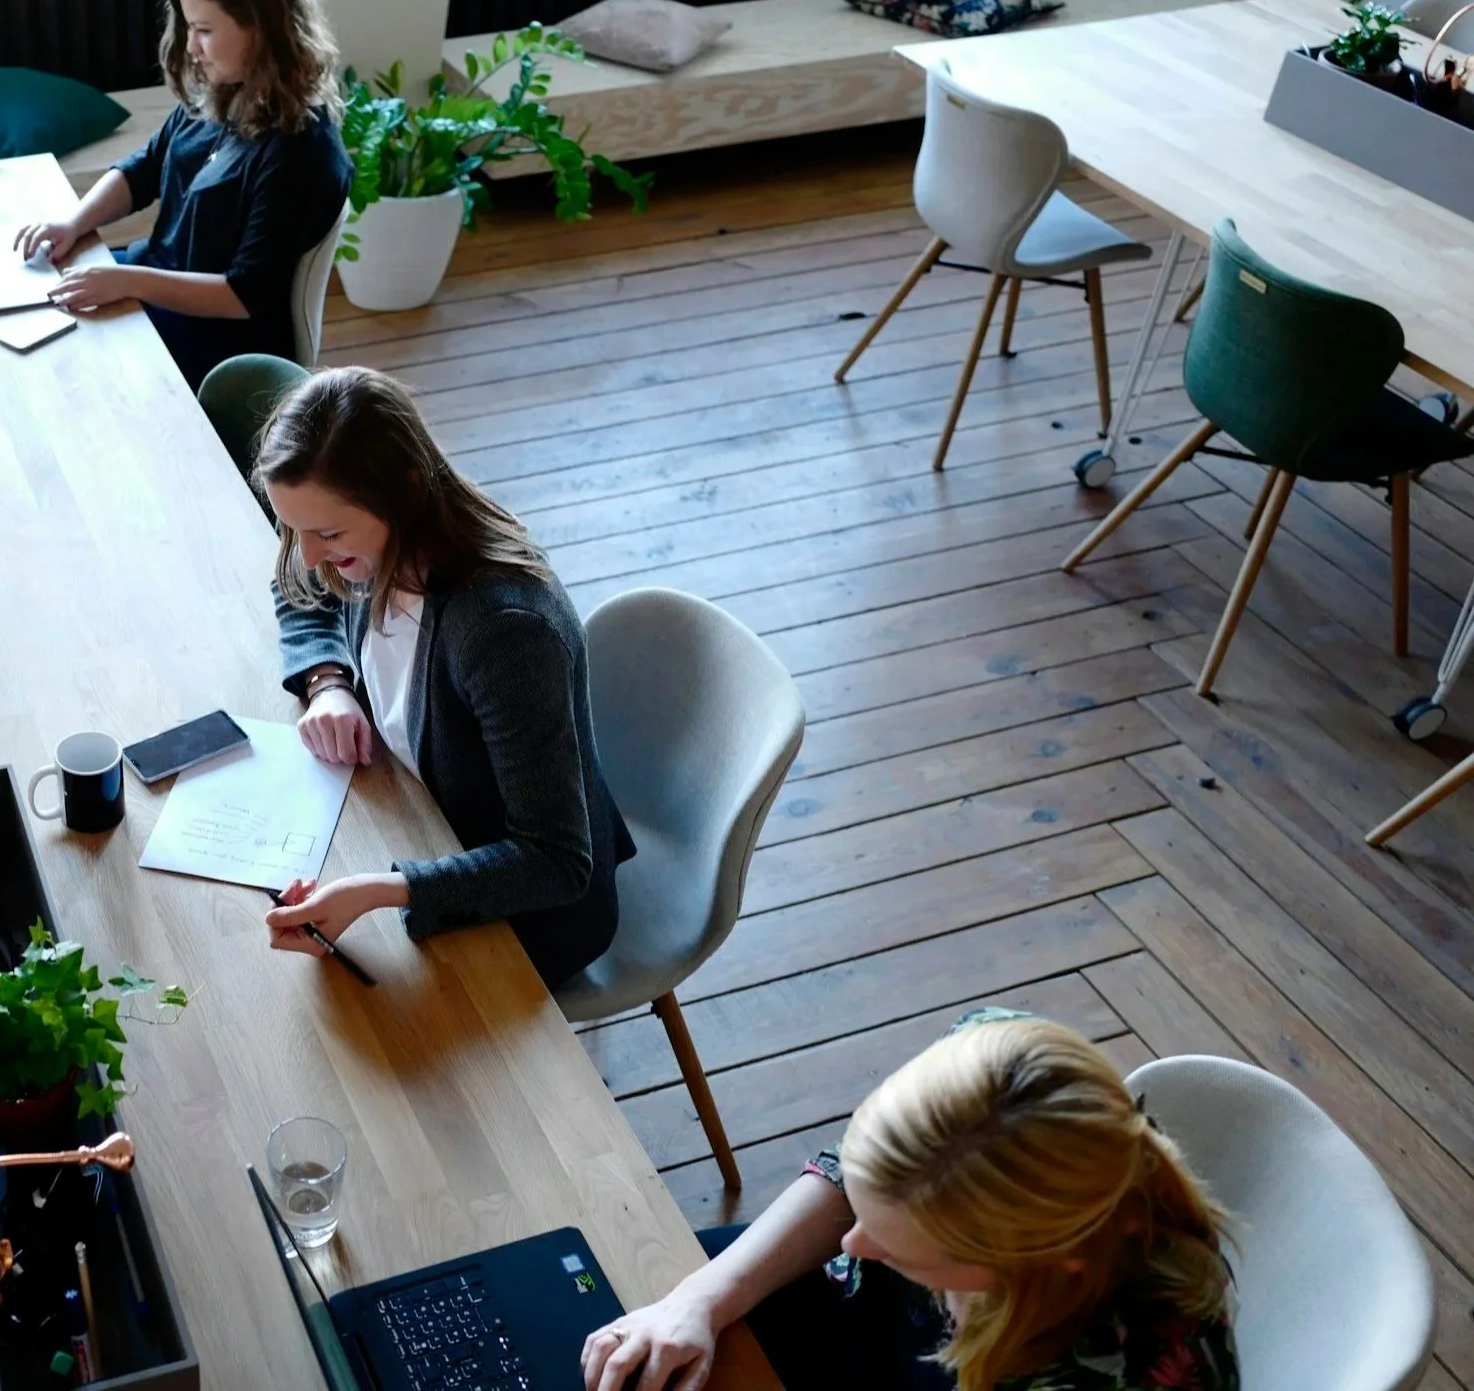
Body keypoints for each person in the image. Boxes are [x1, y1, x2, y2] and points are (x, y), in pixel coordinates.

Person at [580, 1012, 1237, 1391]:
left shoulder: (1110, 1375)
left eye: (896, 1247)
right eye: (864, 1210)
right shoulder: (992, 1058)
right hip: (858, 1328)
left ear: (1031, 1259)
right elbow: (851, 1178)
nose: (852, 1244)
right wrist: (702, 1298)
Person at [255, 368, 634, 989]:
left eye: (328, 533)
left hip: (527, 911)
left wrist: (386, 891)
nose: (311, 552)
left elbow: (556, 862)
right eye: (294, 527)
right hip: (417, 816)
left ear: (405, 490)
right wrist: (328, 681)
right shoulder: (365, 533)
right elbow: (298, 583)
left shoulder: (503, 632)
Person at [13, 0, 352, 388]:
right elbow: (144, 168)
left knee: (66, 356)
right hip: (158, 282)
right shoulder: (223, 92)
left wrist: (127, 280)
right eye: (189, 28)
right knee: (38, 293)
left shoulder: (300, 152)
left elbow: (242, 295)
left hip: (222, 343)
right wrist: (73, 223)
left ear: (261, 29)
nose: (191, 46)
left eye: (204, 30)